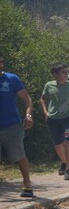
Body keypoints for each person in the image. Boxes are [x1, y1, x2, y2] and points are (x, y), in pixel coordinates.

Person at [0, 53, 35, 197]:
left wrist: (28, 115)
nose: (0, 65)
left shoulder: (11, 79)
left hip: (11, 125)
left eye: (1, 62)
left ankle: (27, 185)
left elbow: (27, 99)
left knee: (18, 155)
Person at [41, 63, 69, 180]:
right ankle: (63, 162)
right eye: (63, 72)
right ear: (55, 74)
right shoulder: (49, 85)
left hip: (67, 119)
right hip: (53, 119)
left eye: (66, 72)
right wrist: (45, 112)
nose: (66, 74)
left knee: (67, 142)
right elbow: (42, 98)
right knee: (58, 144)